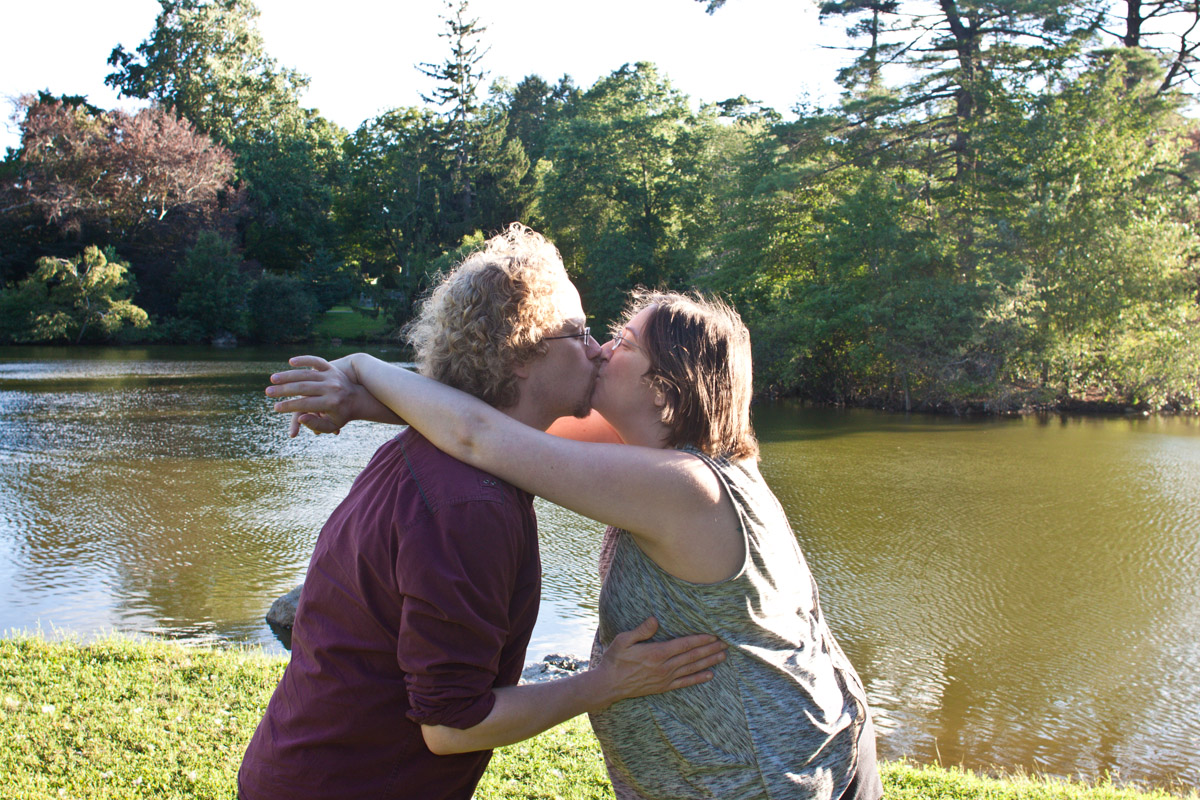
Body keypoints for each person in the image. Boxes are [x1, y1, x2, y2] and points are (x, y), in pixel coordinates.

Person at [269, 289, 884, 800]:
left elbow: (479, 437)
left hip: (769, 776)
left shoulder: (686, 488)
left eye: (626, 342)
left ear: (664, 389)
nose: (603, 348)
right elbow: (504, 421)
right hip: (756, 764)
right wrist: (360, 404)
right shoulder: (662, 452)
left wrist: (362, 366)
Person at [241, 226, 727, 800]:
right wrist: (606, 682)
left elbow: (479, 426)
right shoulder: (470, 505)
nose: (598, 349)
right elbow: (451, 726)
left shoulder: (432, 452)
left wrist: (364, 389)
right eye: (579, 333)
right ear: (522, 353)